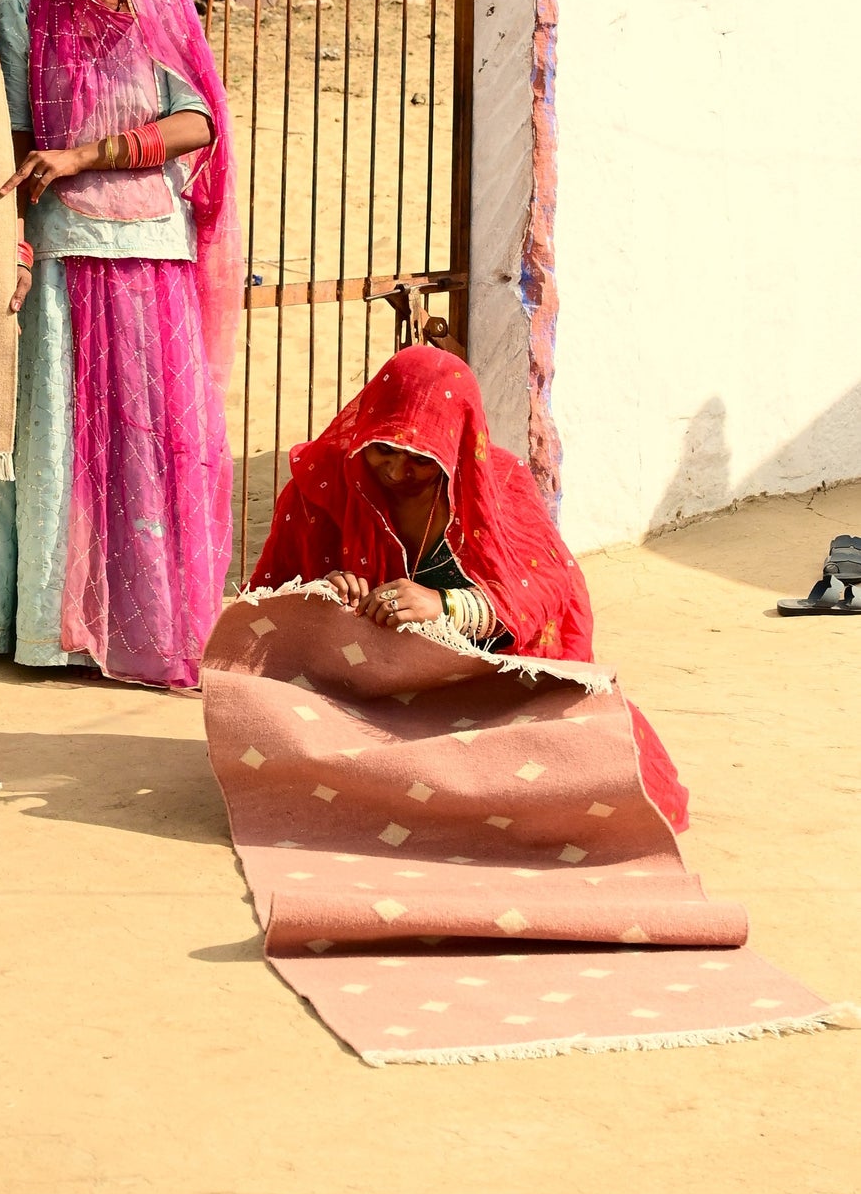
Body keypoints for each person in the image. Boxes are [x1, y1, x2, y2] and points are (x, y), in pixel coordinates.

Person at [0, 0, 241, 690]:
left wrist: (90, 152)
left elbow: (198, 122)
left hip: (152, 253)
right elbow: (14, 133)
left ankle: (148, 625)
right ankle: (54, 632)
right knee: (59, 440)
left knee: (148, 444)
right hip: (63, 252)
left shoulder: (158, 11)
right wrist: (16, 240)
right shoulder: (26, 3)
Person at [247, 344, 690, 830]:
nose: (396, 472)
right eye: (383, 450)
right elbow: (267, 608)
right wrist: (325, 598)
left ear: (453, 443)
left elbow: (550, 586)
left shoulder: (501, 485)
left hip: (487, 690)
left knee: (603, 769)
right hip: (366, 696)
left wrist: (446, 606)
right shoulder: (322, 484)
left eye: (417, 458)